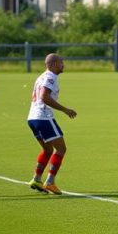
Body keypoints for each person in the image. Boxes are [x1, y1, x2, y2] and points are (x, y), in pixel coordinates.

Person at [27, 53, 78, 195]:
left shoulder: (41, 76)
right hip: (43, 117)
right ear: (55, 64)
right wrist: (65, 110)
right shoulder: (50, 77)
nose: (63, 65)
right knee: (61, 149)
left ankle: (37, 179)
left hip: (32, 118)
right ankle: (49, 182)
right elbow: (44, 96)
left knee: (48, 150)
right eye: (62, 62)